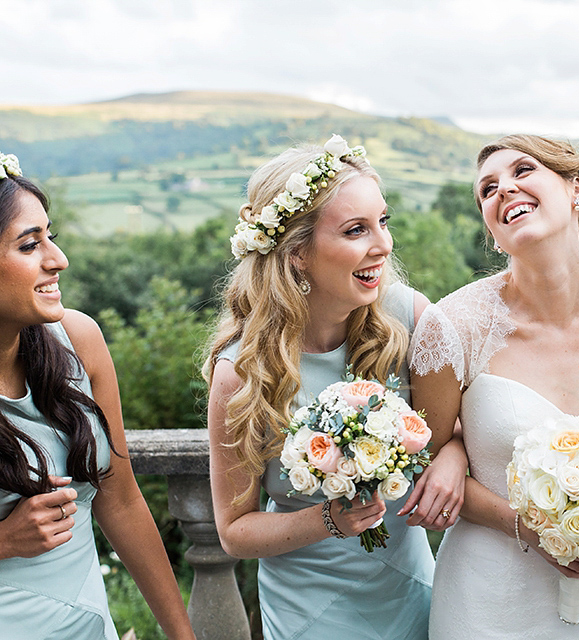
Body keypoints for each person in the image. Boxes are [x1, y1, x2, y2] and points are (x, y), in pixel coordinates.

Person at [205, 135, 466, 640]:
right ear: (298, 253)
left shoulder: (411, 318)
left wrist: (452, 455)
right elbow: (235, 532)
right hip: (310, 610)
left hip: (411, 591)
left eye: (382, 222)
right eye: (355, 230)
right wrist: (327, 519)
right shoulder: (240, 371)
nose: (383, 245)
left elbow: (454, 430)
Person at [410, 134, 579, 639]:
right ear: (492, 230)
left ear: (577, 189)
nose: (503, 189)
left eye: (522, 171)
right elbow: (425, 457)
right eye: (487, 189)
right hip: (492, 599)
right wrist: (520, 519)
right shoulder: (453, 326)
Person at [0, 151, 194, 639]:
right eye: (29, 245)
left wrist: (183, 635)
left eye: (50, 237)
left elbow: (119, 501)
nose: (58, 260)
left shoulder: (79, 340)